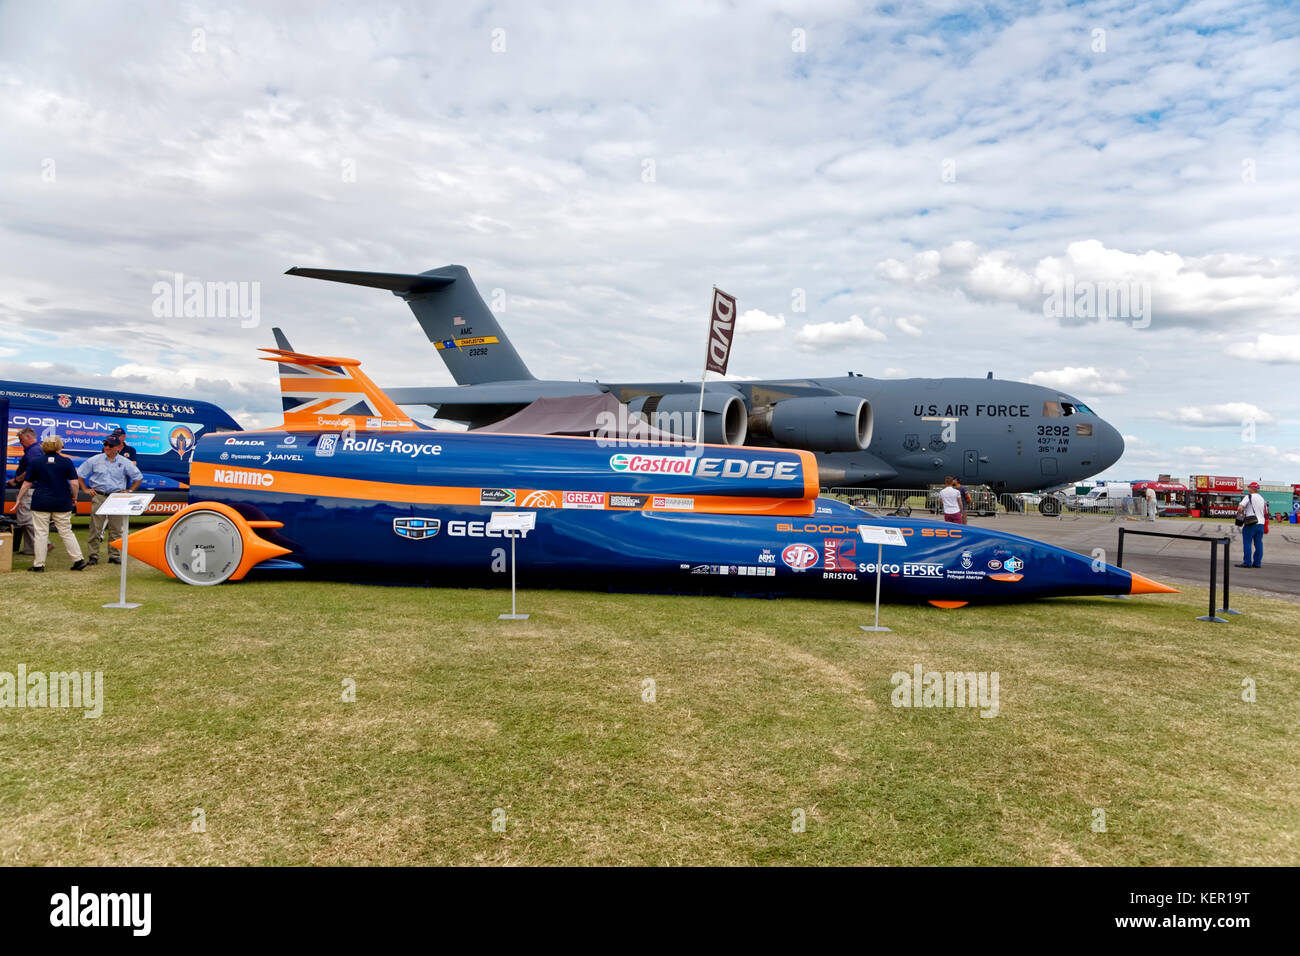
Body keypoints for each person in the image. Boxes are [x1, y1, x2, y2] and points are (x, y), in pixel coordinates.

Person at [16, 436, 86, 572]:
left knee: (41, 533)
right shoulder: (66, 462)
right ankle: (78, 560)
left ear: (44, 447)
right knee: (66, 531)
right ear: (60, 447)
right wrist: (74, 497)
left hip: (41, 501)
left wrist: (18, 499)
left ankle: (39, 564)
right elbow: (74, 483)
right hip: (62, 501)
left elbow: (26, 484)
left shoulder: (36, 462)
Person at [77, 435, 143, 565]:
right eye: (105, 444)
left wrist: (129, 491)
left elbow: (138, 477)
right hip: (99, 496)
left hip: (117, 497)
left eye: (110, 445)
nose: (107, 447)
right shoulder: (95, 460)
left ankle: (114, 555)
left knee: (116, 529)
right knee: (95, 528)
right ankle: (93, 556)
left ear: (118, 447)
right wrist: (85, 489)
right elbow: (80, 475)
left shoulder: (124, 462)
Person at [7, 427, 44, 555]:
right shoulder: (34, 450)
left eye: (21, 439)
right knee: (26, 518)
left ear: (29, 437)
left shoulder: (33, 451)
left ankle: (46, 543)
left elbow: (30, 471)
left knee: (25, 519)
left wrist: (16, 480)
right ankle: (30, 549)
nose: (20, 442)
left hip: (28, 489)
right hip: (29, 488)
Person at [1236, 481, 1268, 569]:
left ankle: (1247, 562)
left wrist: (1241, 512)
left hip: (1251, 523)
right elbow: (1266, 512)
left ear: (1252, 489)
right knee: (1259, 544)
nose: (1248, 489)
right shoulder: (1262, 499)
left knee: (1247, 543)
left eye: (1249, 487)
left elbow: (1240, 508)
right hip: (1261, 523)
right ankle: (1257, 563)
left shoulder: (1248, 496)